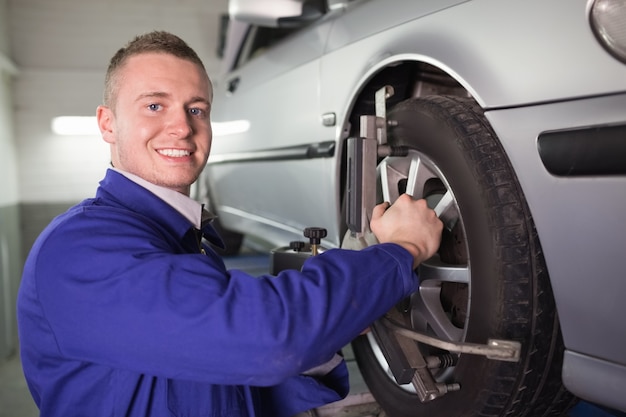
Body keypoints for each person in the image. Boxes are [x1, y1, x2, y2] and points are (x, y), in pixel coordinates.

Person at [17, 31, 443, 417]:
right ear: (107, 123)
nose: (182, 127)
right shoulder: (80, 248)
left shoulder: (176, 239)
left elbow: (223, 382)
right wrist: (400, 252)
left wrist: (337, 313)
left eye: (196, 109)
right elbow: (265, 340)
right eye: (154, 105)